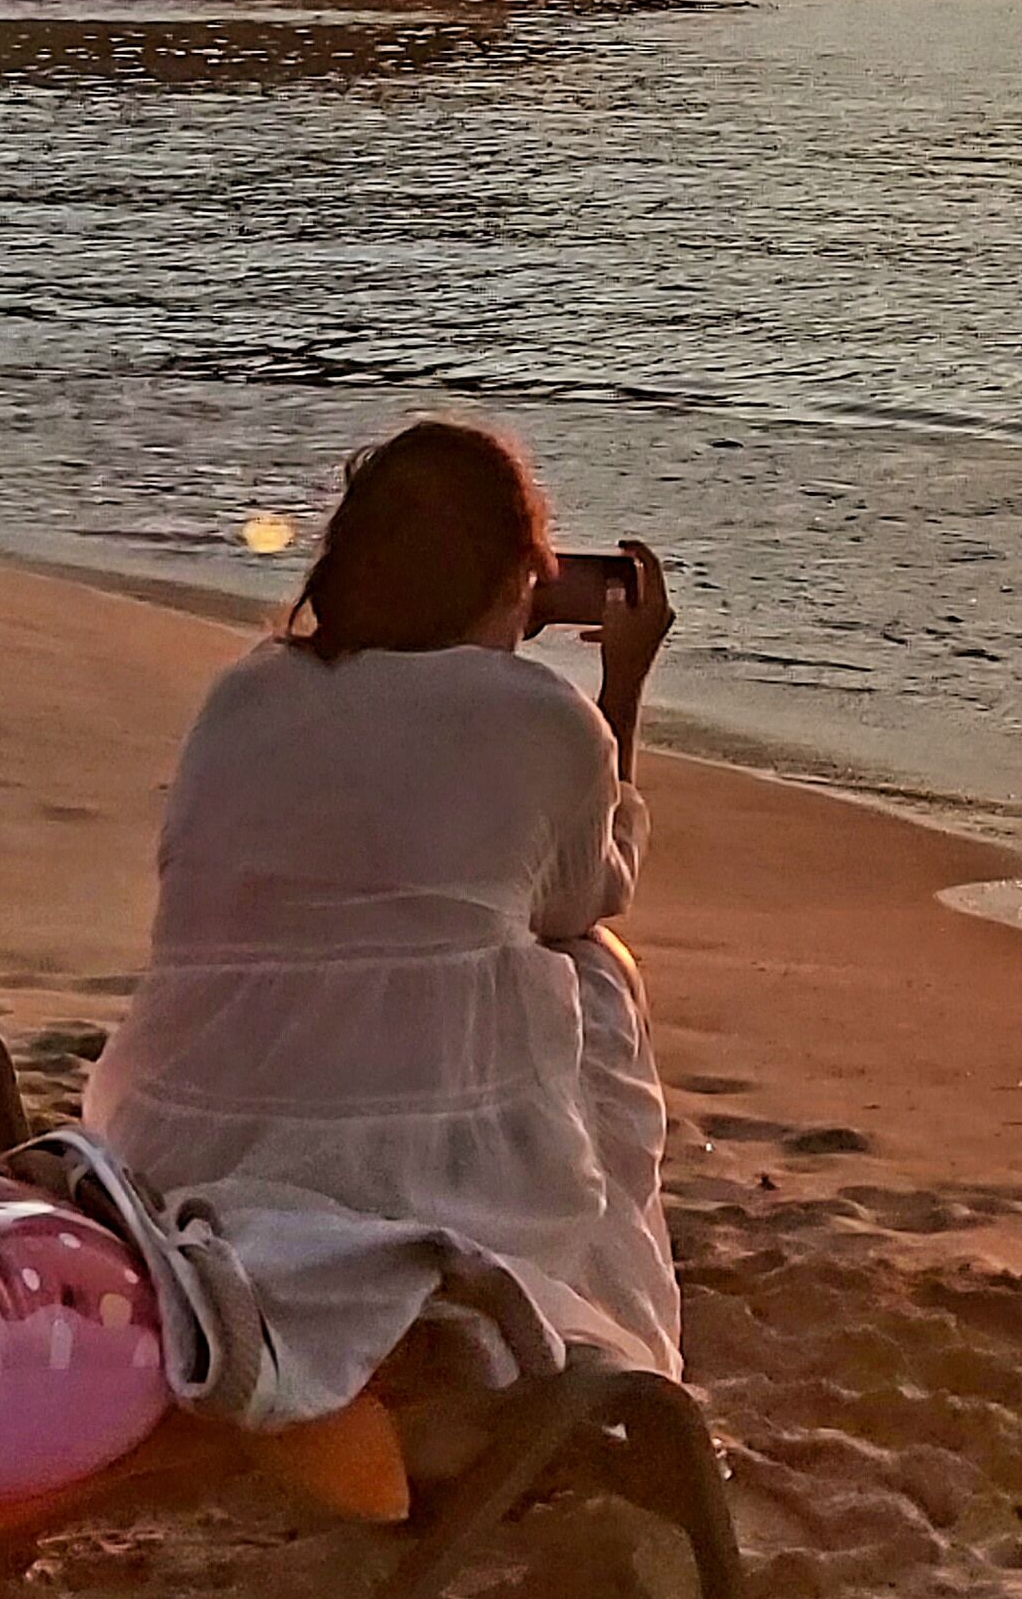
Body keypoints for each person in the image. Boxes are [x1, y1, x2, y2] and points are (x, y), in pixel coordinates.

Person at [85, 417, 682, 1420]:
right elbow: (588, 893)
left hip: (179, 1126)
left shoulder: (245, 694)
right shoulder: (546, 719)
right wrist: (622, 687)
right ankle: (602, 1307)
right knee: (590, 964)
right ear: (517, 575)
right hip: (404, 1151)